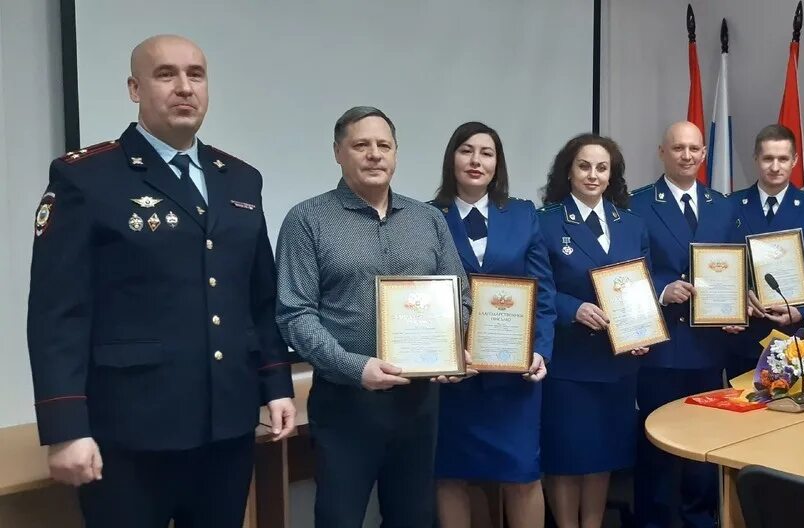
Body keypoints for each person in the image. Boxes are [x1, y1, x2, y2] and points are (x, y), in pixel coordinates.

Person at [26, 34, 296, 528]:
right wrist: (65, 427)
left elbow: (259, 297)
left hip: (227, 425)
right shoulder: (86, 178)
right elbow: (56, 312)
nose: (184, 87)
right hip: (129, 432)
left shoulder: (239, 179)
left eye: (195, 74)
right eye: (165, 74)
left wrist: (276, 384)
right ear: (134, 88)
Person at [275, 106, 474, 527]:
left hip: (420, 403)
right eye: (360, 145)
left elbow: (462, 296)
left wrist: (452, 349)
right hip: (347, 402)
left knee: (414, 518)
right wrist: (356, 367)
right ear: (337, 152)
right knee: (339, 517)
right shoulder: (307, 220)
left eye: (384, 145)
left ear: (396, 154)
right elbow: (295, 313)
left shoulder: (427, 219)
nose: (374, 154)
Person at [430, 121, 556, 528]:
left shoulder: (521, 214)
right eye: (466, 150)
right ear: (452, 158)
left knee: (522, 474)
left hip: (514, 378)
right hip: (455, 378)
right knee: (450, 475)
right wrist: (439, 357)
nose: (475, 160)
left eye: (486, 152)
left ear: (497, 163)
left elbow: (544, 293)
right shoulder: (427, 217)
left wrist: (540, 350)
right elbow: (422, 297)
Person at [537, 133, 650, 528]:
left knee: (603, 457)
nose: (593, 175)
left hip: (617, 364)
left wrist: (643, 333)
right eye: (584, 166)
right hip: (570, 364)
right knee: (567, 458)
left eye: (602, 168)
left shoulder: (632, 224)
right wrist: (573, 308)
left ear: (611, 174)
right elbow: (538, 287)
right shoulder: (546, 222)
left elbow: (642, 288)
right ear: (568, 171)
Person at [628, 121, 736, 528]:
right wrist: (660, 289)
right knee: (655, 445)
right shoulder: (638, 204)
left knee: (704, 448)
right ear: (662, 152)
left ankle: (700, 519)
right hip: (662, 346)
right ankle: (653, 521)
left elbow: (733, 264)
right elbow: (627, 270)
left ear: (704, 154)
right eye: (678, 148)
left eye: (694, 149)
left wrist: (737, 304)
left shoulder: (722, 206)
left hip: (709, 348)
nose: (686, 156)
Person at [726, 124, 804, 377]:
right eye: (768, 158)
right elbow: (720, 264)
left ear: (795, 160)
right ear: (756, 158)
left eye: (783, 159)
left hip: (794, 335)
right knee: (739, 413)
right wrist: (737, 299)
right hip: (743, 334)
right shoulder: (730, 205)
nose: (775, 167)